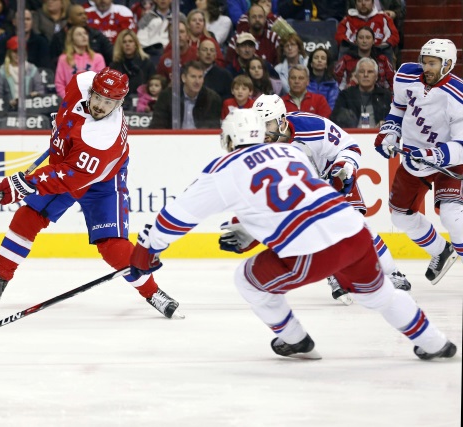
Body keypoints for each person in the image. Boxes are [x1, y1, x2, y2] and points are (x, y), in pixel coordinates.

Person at [129, 108, 456, 361]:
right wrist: (250, 231)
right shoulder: (290, 153)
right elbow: (296, 200)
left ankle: (295, 339)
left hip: (310, 250)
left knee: (247, 279)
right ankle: (435, 342)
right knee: (378, 295)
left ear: (227, 140)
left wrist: (146, 252)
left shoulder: (223, 169)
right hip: (354, 232)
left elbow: (174, 219)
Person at [0, 67, 183, 320]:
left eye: (109, 102)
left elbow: (70, 176)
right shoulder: (81, 81)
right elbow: (70, 121)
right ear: (91, 90)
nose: (100, 106)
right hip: (70, 166)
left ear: (119, 104)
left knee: (113, 247)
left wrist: (23, 184)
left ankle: (153, 293)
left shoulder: (102, 137)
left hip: (103, 180)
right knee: (28, 217)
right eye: (97, 97)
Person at [253, 93, 412, 302]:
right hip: (300, 193)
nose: (262, 132)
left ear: (282, 120)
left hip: (333, 179)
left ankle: (392, 274)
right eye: (258, 125)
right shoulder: (254, 145)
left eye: (268, 124)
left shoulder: (312, 126)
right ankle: (335, 274)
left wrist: (343, 167)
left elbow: (350, 147)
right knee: (316, 234)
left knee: (359, 227)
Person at [374, 38, 463, 285]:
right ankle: (440, 251)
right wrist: (390, 132)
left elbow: (462, 145)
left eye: (433, 63)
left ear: (448, 64)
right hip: (415, 157)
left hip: (450, 162)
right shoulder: (405, 75)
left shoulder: (459, 95)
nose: (427, 67)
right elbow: (398, 108)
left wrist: (433, 155)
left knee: (451, 215)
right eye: (424, 61)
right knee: (400, 216)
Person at [150, 60, 222, 129]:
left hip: (200, 140)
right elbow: (157, 125)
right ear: (184, 78)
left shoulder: (213, 99)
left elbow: (213, 129)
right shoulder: (167, 96)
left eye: (200, 77)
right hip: (173, 139)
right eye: (193, 77)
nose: (197, 81)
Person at [330, 57, 391, 129]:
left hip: (377, 135)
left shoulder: (384, 96)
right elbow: (335, 120)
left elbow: (392, 121)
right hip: (351, 136)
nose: (365, 75)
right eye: (362, 71)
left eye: (370, 72)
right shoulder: (345, 95)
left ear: (376, 77)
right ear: (356, 76)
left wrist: (384, 123)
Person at [334, 26, 395, 91]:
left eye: (368, 38)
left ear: (374, 41)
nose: (364, 41)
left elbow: (391, 85)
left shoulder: (382, 60)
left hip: (378, 96)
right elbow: (337, 85)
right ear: (356, 41)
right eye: (361, 38)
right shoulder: (346, 60)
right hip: (352, 96)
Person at [54, 25, 106, 98]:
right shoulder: (63, 59)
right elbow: (59, 83)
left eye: (85, 33)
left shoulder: (98, 58)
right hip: (70, 100)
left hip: (92, 100)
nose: (84, 36)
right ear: (72, 39)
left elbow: (101, 82)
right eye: (79, 34)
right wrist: (68, 99)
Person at [0, 36, 45, 110]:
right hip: (9, 109)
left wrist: (36, 94)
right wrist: (8, 102)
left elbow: (40, 90)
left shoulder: (32, 69)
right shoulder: (2, 71)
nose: (18, 54)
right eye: (15, 51)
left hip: (30, 109)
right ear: (9, 53)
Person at [108, 29, 156, 99]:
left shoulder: (147, 63)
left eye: (130, 41)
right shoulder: (114, 66)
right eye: (124, 42)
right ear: (120, 45)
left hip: (142, 101)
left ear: (136, 44)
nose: (127, 44)